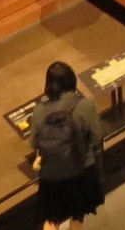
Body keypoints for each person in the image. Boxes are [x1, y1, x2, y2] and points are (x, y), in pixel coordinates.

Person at [31, 61, 104, 230]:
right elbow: (96, 137)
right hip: (81, 169)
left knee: (51, 218)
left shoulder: (39, 110)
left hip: (51, 173)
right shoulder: (85, 105)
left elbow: (33, 143)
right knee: (77, 214)